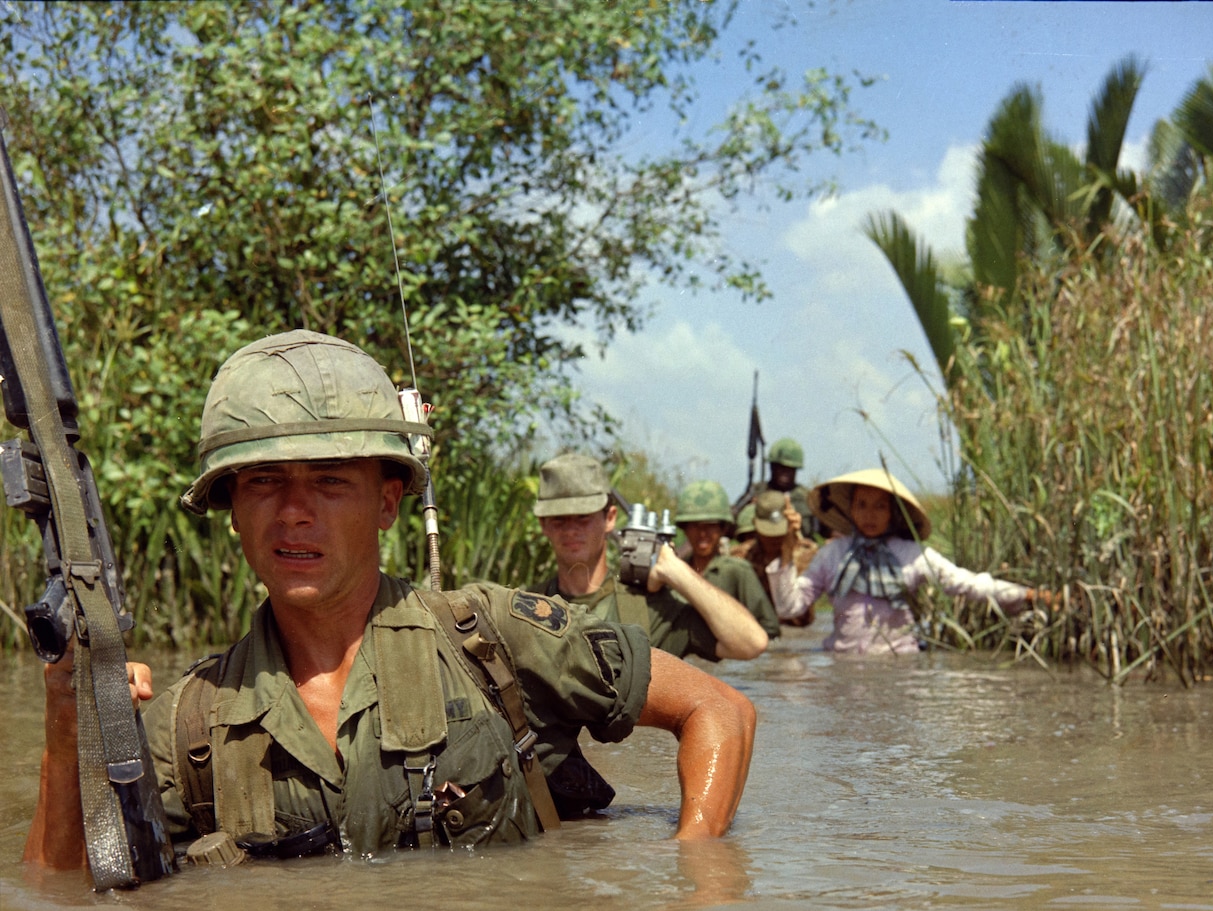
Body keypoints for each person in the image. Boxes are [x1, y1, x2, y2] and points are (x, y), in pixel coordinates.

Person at [24, 332, 756, 876]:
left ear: (388, 500)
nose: (294, 511)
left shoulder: (488, 638)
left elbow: (720, 708)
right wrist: (69, 731)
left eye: (331, 481)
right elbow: (59, 905)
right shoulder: (187, 725)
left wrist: (697, 886)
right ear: (231, 509)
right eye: (263, 482)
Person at [768, 468, 1049, 655]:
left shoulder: (911, 555)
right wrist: (786, 551)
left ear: (894, 512)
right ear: (850, 509)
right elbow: (788, 606)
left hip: (898, 664)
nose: (870, 515)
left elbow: (967, 583)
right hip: (842, 665)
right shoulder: (833, 554)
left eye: (880, 506)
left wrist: (1027, 595)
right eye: (862, 505)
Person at [532, 453, 768, 663]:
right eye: (559, 519)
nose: (571, 529)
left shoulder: (653, 608)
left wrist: (676, 570)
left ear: (610, 518)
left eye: (583, 517)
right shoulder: (527, 606)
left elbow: (751, 643)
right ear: (543, 524)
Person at [673, 480, 780, 640]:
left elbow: (769, 628)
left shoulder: (737, 570)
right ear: (685, 528)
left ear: (723, 529)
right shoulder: (675, 571)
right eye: (695, 526)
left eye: (710, 526)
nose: (702, 534)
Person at [730, 490, 819, 628]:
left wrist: (789, 550)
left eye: (778, 531)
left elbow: (798, 616)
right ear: (755, 524)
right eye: (768, 532)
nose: (773, 538)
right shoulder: (739, 558)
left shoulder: (808, 555)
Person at [732, 437, 817, 538]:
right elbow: (732, 520)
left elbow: (828, 530)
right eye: (780, 467)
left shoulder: (807, 497)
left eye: (789, 469)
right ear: (771, 467)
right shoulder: (756, 491)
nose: (784, 473)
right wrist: (750, 510)